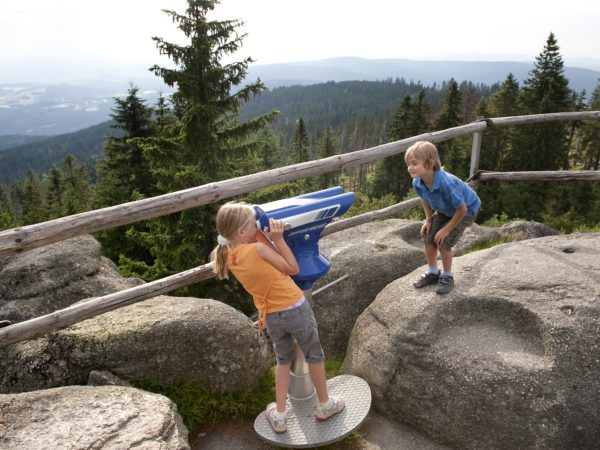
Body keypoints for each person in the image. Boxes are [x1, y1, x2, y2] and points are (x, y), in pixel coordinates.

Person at [210, 202, 345, 434]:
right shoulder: (258, 250)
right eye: (254, 224)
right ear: (242, 232)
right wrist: (278, 238)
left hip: (271, 316)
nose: (257, 226)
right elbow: (292, 268)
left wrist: (261, 235)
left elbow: (257, 255)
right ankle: (325, 404)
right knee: (314, 355)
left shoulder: (231, 257)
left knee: (283, 361)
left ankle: (280, 415)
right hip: (295, 309)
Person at [405, 141, 481, 294]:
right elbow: (424, 199)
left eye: (414, 163)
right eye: (408, 164)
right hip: (445, 210)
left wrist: (446, 229)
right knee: (428, 237)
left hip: (467, 210)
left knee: (443, 241)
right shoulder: (417, 182)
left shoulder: (446, 183)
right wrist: (428, 220)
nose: (410, 167)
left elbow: (462, 209)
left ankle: (447, 276)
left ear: (430, 163)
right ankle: (433, 272)